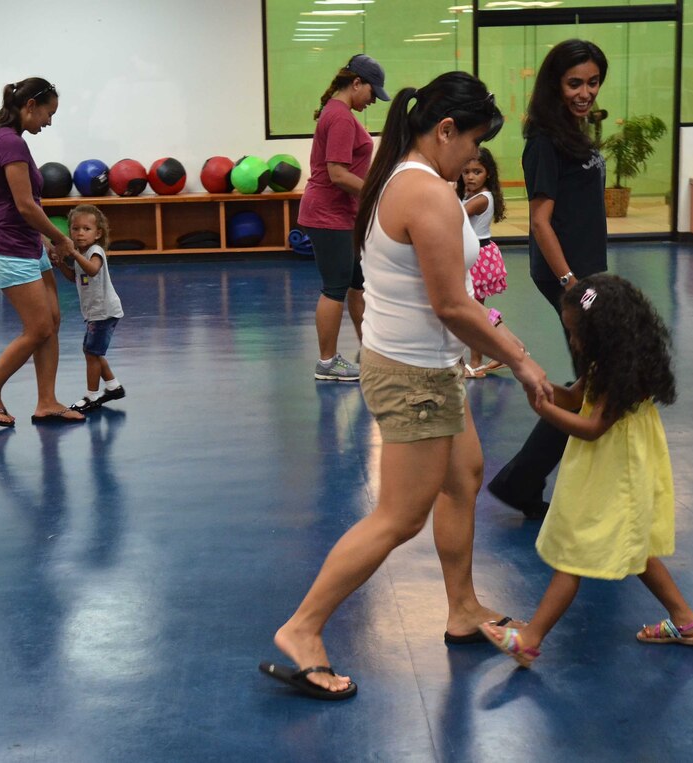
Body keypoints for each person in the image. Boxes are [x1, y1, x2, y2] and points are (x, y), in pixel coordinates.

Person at [261, 71, 554, 700]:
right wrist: (523, 361)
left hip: (430, 366)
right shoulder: (427, 193)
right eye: (473, 143)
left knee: (465, 475)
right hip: (413, 375)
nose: (477, 157)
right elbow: (453, 303)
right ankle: (302, 628)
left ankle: (463, 608)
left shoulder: (404, 175)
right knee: (399, 517)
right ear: (444, 130)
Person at [480, 274, 693, 668]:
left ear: (601, 332)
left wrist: (545, 411)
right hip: (612, 466)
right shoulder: (610, 360)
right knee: (638, 549)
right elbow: (576, 397)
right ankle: (686, 622)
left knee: (574, 551)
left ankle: (529, 640)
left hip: (617, 470)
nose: (573, 342)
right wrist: (540, 385)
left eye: (575, 334)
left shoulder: (623, 370)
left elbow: (592, 428)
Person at [487, 39, 610, 519]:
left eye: (593, 82)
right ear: (554, 84)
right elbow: (540, 222)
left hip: (586, 273)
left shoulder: (574, 129)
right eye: (574, 82)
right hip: (568, 276)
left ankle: (522, 480)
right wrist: (571, 283)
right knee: (596, 381)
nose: (585, 92)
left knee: (593, 380)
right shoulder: (544, 139)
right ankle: (522, 480)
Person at [0, 78, 84, 427]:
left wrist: (45, 243)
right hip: (9, 249)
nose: (49, 122)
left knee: (52, 323)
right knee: (37, 328)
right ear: (31, 105)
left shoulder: (10, 139)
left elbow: (27, 207)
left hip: (28, 245)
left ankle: (47, 402)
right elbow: (25, 206)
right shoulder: (9, 142)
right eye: (48, 113)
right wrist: (61, 240)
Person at [299, 54, 390, 382]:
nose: (372, 101)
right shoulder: (340, 117)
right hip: (328, 215)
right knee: (335, 287)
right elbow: (337, 174)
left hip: (342, 214)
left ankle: (370, 348)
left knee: (358, 283)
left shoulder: (339, 113)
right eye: (371, 93)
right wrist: (378, 193)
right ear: (356, 83)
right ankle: (327, 362)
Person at [52, 204, 126, 413]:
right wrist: (61, 264)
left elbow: (92, 270)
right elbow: (73, 277)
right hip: (94, 312)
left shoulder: (95, 251)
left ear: (97, 233)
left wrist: (73, 253)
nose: (80, 233)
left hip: (104, 311)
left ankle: (91, 396)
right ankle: (113, 386)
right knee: (92, 352)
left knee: (91, 353)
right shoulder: (82, 253)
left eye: (86, 229)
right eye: (75, 229)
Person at [456, 146, 508, 378]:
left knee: (474, 311)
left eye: (477, 172)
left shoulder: (481, 198)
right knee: (474, 310)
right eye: (466, 172)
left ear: (488, 173)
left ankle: (482, 357)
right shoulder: (470, 195)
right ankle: (497, 349)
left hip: (478, 257)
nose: (470, 177)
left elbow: (454, 215)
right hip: (476, 254)